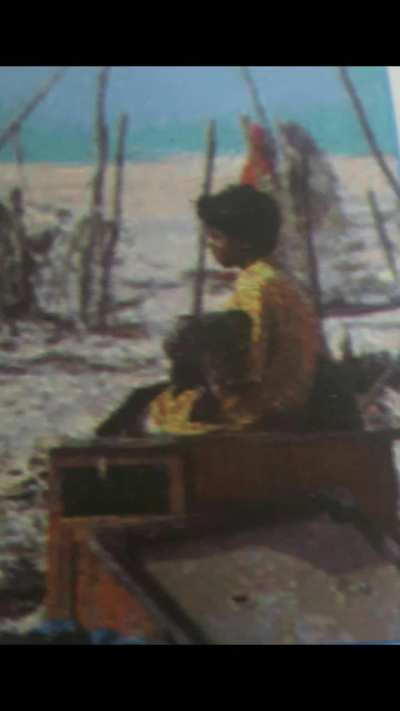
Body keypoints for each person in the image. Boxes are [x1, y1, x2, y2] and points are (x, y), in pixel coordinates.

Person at [146, 185, 321, 435]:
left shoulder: (257, 286)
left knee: (157, 410)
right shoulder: (272, 279)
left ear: (244, 243)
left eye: (216, 237)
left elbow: (251, 365)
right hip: (282, 400)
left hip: (262, 408)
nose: (210, 245)